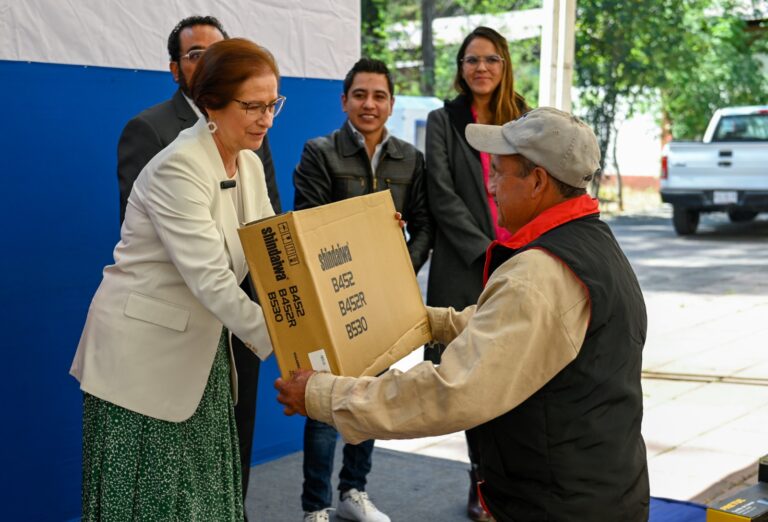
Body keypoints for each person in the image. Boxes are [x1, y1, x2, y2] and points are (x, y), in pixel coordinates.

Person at [277, 107, 651, 522]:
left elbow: (450, 391)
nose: (491, 186)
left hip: (561, 504)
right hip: (599, 488)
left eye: (501, 172)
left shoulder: (539, 274)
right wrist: (428, 321)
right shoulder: (589, 241)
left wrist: (326, 395)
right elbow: (512, 331)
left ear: (538, 182)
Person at [71, 38, 285, 521]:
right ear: (211, 102)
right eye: (252, 106)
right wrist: (290, 342)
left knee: (203, 500)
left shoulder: (248, 162)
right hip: (141, 360)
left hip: (200, 354)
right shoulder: (178, 167)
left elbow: (273, 247)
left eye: (273, 104)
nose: (266, 119)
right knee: (152, 503)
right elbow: (210, 280)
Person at [292, 57, 432, 522]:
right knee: (322, 404)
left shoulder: (411, 159)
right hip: (332, 302)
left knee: (369, 400)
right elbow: (307, 224)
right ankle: (315, 507)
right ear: (344, 101)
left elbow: (425, 227)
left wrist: (395, 272)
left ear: (391, 104)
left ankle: (354, 493)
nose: (369, 104)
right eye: (360, 95)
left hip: (381, 304)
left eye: (378, 96)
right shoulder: (320, 152)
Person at [424, 26, 528, 521]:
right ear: (461, 68)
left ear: (504, 64)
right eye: (471, 60)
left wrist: (519, 248)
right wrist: (489, 250)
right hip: (470, 265)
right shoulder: (443, 120)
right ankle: (479, 480)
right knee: (473, 376)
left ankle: (515, 478)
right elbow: (441, 194)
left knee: (518, 367)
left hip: (524, 258)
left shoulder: (526, 118)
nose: (480, 68)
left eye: (490, 59)